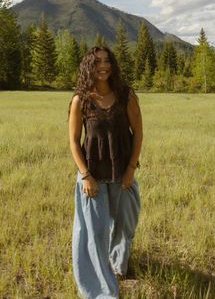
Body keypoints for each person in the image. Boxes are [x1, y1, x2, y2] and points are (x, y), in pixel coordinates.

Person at [68, 46, 143, 299]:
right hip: (94, 177)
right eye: (97, 61)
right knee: (96, 234)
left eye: (107, 60)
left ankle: (118, 266)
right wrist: (85, 176)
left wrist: (131, 169)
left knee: (125, 225)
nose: (103, 65)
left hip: (123, 174)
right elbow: (73, 142)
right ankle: (102, 291)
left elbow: (139, 134)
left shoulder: (125, 95)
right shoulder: (81, 99)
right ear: (89, 65)